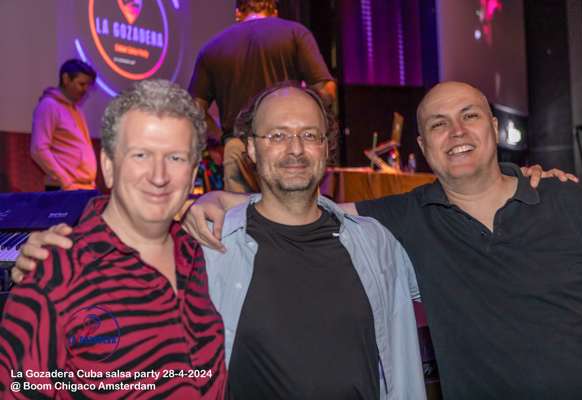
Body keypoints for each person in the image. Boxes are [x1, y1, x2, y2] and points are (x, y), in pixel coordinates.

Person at [127, 82, 582, 399]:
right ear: (423, 147)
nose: (456, 132)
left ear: (494, 129)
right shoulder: (404, 219)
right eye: (438, 124)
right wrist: (217, 198)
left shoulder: (568, 202)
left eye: (469, 116)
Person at [13, 83, 427, 400]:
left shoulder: (376, 245)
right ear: (251, 150)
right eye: (277, 136)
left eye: (309, 135)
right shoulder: (203, 248)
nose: (295, 149)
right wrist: (45, 262)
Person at [1, 80, 226, 398]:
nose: (159, 176)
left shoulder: (193, 252)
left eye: (175, 158)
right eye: (141, 155)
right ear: (108, 166)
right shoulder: (54, 271)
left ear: (192, 175)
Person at [188, 0, 336, 193]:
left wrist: (218, 140)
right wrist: (311, 130)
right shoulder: (295, 33)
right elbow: (326, 91)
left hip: (238, 146)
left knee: (241, 210)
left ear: (238, 13)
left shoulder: (212, 47)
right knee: (295, 208)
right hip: (287, 142)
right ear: (274, 10)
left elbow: (194, 109)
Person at [31, 59, 98, 190]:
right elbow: (38, 149)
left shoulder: (77, 110)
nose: (85, 90)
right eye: (81, 84)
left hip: (82, 187)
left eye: (88, 85)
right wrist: (66, 182)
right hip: (66, 188)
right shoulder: (49, 105)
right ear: (66, 79)